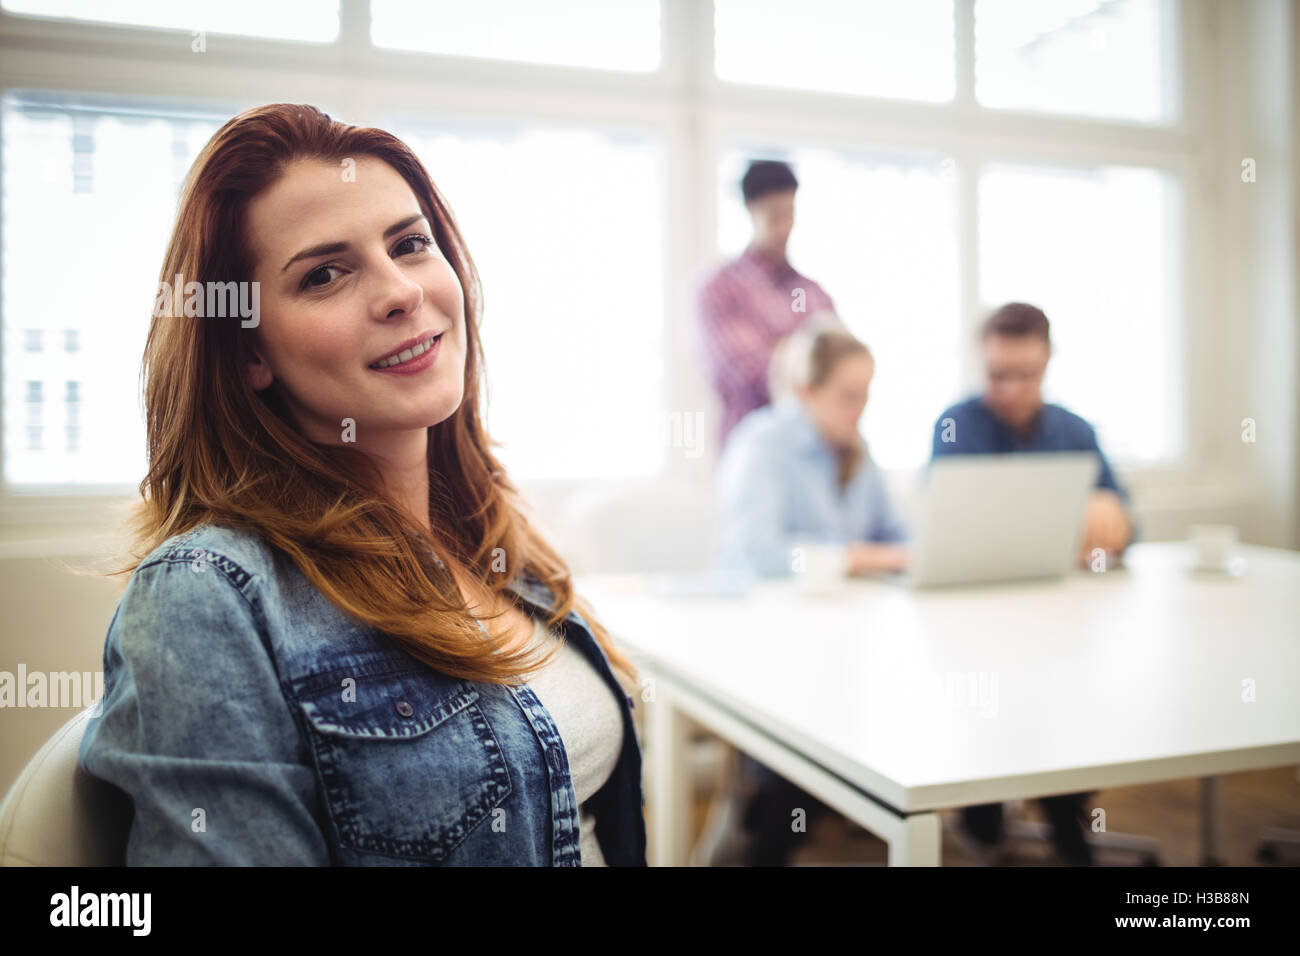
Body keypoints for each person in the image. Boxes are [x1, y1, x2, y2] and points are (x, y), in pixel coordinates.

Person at [78, 103, 646, 866]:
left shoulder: (493, 538)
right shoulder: (206, 598)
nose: (399, 292)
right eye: (325, 274)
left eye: (410, 244)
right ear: (250, 354)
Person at [931, 301, 1136, 866]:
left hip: (1062, 622)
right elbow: (941, 529)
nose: (1014, 389)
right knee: (996, 687)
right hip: (976, 628)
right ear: (981, 366)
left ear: (1047, 364)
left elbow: (1127, 526)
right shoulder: (956, 427)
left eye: (1028, 374)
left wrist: (1113, 517)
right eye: (999, 375)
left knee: (1067, 694)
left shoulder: (1076, 432)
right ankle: (987, 807)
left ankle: (1065, 820)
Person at [711, 326, 908, 865]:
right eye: (848, 396)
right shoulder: (763, 442)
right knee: (802, 752)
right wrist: (858, 555)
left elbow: (899, 540)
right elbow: (759, 555)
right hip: (769, 642)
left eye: (866, 396)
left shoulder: (856, 455)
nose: (859, 410)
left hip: (844, 636)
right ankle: (762, 833)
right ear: (805, 391)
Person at [694, 159, 839, 451]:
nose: (784, 226)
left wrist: (783, 352)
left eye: (790, 213)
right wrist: (806, 359)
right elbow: (751, 374)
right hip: (750, 453)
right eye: (774, 215)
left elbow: (843, 367)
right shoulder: (721, 290)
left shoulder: (812, 292)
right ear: (750, 210)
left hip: (816, 454)